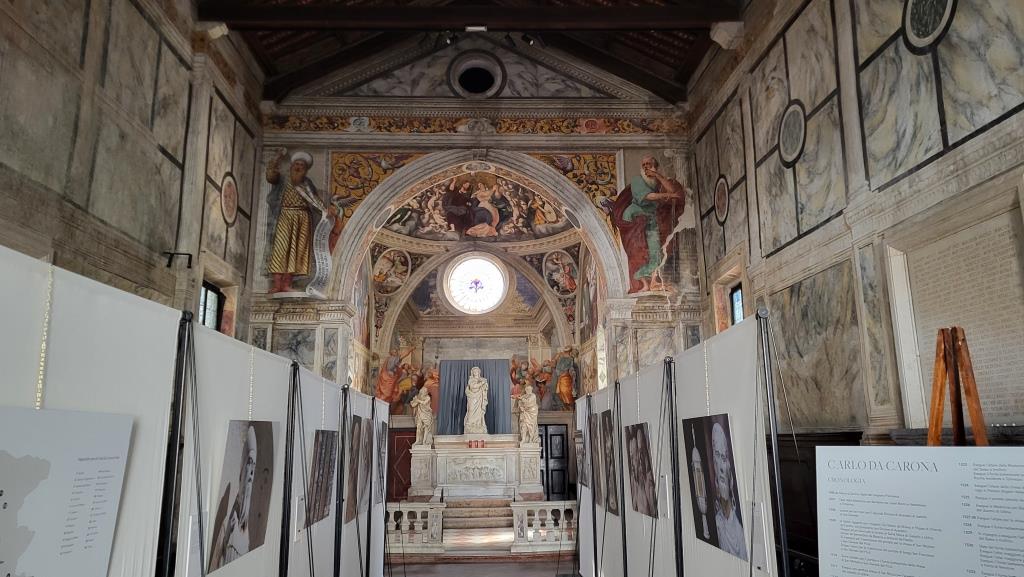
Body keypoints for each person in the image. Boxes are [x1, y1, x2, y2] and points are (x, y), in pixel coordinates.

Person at [610, 156, 686, 293]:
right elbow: (648, 196)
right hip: (633, 219)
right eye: (644, 164)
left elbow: (671, 190)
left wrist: (658, 176)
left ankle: (650, 282)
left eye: (649, 164)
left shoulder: (657, 181)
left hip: (650, 219)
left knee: (656, 254)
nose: (646, 167)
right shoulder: (637, 180)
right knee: (638, 252)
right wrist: (667, 196)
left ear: (655, 166)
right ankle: (644, 284)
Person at [211, 425, 258, 570]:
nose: (251, 474)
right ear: (241, 473)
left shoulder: (246, 532)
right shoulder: (230, 521)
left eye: (254, 467)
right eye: (249, 464)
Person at [711, 422, 747, 560]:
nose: (721, 466)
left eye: (724, 457)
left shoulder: (740, 530)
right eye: (717, 455)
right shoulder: (717, 522)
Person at [463, 367, 489, 434]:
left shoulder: (482, 379)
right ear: (472, 373)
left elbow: (485, 388)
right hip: (472, 398)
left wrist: (485, 385)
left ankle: (478, 424)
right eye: (474, 371)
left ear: (479, 372)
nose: (475, 372)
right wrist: (481, 383)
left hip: (479, 398)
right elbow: (473, 386)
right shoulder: (471, 380)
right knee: (471, 410)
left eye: (476, 371)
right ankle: (469, 424)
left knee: (479, 412)